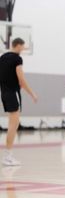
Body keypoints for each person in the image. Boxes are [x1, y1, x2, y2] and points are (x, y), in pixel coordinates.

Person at [0, 38, 38, 166]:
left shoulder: (2, 57)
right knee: (13, 125)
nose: (23, 48)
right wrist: (32, 93)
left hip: (4, 93)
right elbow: (21, 79)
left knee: (13, 124)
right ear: (18, 45)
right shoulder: (17, 59)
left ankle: (8, 155)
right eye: (22, 46)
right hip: (13, 93)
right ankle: (8, 156)